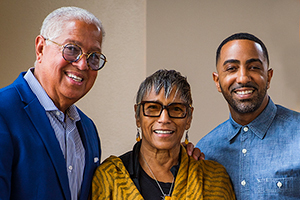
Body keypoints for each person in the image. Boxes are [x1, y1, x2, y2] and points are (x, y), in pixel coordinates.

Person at [0, 7, 106, 200]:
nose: (82, 65)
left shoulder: (89, 129)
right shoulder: (3, 111)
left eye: (93, 57)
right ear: (40, 48)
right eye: (72, 49)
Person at [91, 69, 235, 200]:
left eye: (176, 109)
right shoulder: (110, 177)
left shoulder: (214, 178)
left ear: (188, 118)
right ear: (137, 116)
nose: (164, 119)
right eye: (153, 108)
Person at [196, 32, 300, 199]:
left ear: (268, 76)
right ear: (217, 81)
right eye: (231, 69)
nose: (243, 78)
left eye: (254, 67)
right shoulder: (206, 151)